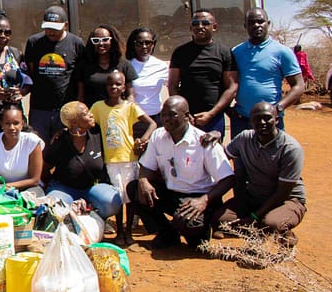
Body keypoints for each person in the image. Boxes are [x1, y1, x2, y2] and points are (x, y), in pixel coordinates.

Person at [129, 96, 235, 249]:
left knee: (192, 234)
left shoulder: (204, 141)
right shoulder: (158, 136)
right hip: (172, 193)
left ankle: (197, 228)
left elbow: (228, 179)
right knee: (135, 189)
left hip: (198, 197)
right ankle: (168, 233)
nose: (166, 119)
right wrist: (143, 181)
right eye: (164, 114)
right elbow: (147, 167)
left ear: (186, 116)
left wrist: (204, 200)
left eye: (172, 114)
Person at [212, 102, 306, 250]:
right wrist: (215, 139)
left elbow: (283, 191)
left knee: (272, 223)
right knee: (219, 220)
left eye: (267, 118)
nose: (262, 122)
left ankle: (282, 231)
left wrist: (255, 216)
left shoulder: (290, 148)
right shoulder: (244, 138)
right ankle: (263, 229)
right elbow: (221, 158)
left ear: (276, 120)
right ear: (251, 121)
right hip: (255, 196)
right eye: (257, 118)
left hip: (286, 200)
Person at [91, 71, 156, 245]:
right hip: (110, 160)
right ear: (106, 87)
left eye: (118, 84)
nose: (114, 87)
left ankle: (129, 232)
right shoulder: (98, 107)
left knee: (130, 197)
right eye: (110, 84)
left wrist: (143, 140)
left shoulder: (130, 107)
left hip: (129, 158)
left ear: (124, 87)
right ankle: (119, 231)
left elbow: (152, 123)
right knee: (117, 197)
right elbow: (88, 123)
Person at [42, 102, 123, 221]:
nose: (91, 115)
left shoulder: (97, 132)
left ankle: (95, 217)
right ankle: (71, 219)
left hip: (93, 188)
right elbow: (45, 168)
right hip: (64, 189)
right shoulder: (60, 141)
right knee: (54, 207)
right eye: (86, 114)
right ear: (74, 122)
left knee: (111, 202)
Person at [231, 8, 304, 133]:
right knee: (240, 147)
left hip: (270, 120)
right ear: (245, 26)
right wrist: (229, 110)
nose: (256, 25)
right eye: (251, 22)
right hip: (242, 120)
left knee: (272, 147)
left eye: (260, 21)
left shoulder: (282, 52)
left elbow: (298, 85)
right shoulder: (236, 52)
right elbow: (227, 83)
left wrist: (278, 108)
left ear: (268, 23)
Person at [168, 9, 237, 137]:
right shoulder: (180, 52)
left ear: (214, 27)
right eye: (195, 23)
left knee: (212, 149)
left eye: (205, 23)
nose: (200, 26)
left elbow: (232, 87)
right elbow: (172, 85)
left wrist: (211, 113)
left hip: (214, 118)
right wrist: (185, 114)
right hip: (186, 119)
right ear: (191, 28)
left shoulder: (225, 52)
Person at [23, 5, 86, 144]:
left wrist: (79, 103)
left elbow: (80, 77)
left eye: (55, 29)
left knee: (64, 146)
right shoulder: (34, 42)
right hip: (39, 109)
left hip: (65, 109)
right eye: (47, 28)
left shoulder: (76, 43)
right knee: (38, 146)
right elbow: (31, 72)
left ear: (65, 25)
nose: (51, 32)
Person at [0, 104, 45, 196]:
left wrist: (4, 187)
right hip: (0, 190)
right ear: (1, 124)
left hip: (28, 189)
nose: (12, 127)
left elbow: (34, 180)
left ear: (22, 124)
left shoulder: (32, 141)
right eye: (7, 123)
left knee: (28, 198)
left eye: (16, 123)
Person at [0, 9, 32, 136]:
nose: (3, 35)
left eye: (7, 32)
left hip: (14, 116)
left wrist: (21, 92)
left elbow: (28, 81)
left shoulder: (15, 54)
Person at [76, 24, 136, 108]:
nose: (101, 43)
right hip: (93, 113)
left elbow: (130, 95)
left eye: (105, 39)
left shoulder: (124, 65)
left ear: (113, 41)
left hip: (117, 112)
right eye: (96, 40)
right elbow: (80, 97)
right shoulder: (84, 66)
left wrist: (129, 110)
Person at [126, 27, 168, 125]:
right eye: (140, 43)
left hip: (157, 116)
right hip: (134, 118)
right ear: (134, 45)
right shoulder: (127, 66)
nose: (144, 46)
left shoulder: (161, 66)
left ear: (153, 44)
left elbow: (173, 87)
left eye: (148, 42)